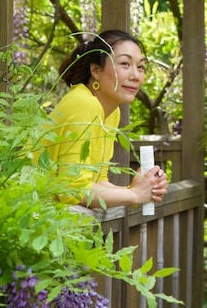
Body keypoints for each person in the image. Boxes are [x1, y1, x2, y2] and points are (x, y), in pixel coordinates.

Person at [41, 29, 168, 208]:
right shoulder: (83, 103)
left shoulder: (111, 112)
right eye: (125, 64)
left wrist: (139, 188)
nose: (135, 76)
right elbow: (71, 189)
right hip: (23, 213)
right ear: (96, 70)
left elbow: (97, 180)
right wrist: (133, 194)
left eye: (140, 67)